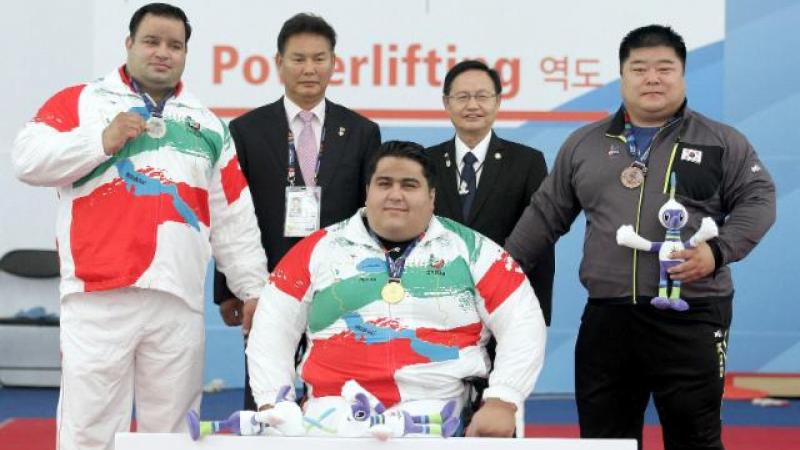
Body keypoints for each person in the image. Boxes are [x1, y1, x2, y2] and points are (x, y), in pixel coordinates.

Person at [505, 25, 776, 450]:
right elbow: (544, 217)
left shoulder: (722, 141)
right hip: (609, 319)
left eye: (665, 68)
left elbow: (759, 201)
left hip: (694, 313)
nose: (653, 78)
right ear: (622, 75)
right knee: (603, 440)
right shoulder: (584, 144)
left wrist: (718, 251)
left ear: (683, 75)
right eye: (640, 68)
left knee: (696, 439)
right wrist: (497, 275)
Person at [11, 4, 268, 450]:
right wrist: (99, 140)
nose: (163, 53)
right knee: (89, 430)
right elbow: (27, 160)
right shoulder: (82, 101)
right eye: (152, 41)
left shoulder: (207, 124)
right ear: (129, 44)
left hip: (177, 298)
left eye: (175, 45)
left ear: (187, 53)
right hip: (97, 296)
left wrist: (253, 290)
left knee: (170, 433)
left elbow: (232, 217)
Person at [247, 141, 546, 437]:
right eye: (384, 183)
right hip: (331, 422)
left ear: (432, 196)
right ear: (368, 191)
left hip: (440, 423)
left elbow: (522, 320)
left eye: (409, 185)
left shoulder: (474, 251)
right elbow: (271, 327)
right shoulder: (317, 250)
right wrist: (273, 402)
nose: (395, 195)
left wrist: (504, 398)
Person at [212, 12, 381, 411]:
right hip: (268, 286)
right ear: (278, 63)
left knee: (338, 402)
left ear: (334, 64)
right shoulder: (246, 130)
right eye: (299, 58)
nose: (309, 69)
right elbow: (229, 214)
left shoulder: (361, 132)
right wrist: (229, 289)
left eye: (319, 58)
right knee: (269, 399)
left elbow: (371, 217)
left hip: (340, 290)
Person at [428, 60, 554, 324]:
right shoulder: (426, 162)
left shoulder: (527, 162)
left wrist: (536, 315)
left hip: (505, 307)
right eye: (462, 97)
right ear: (446, 103)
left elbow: (539, 239)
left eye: (482, 96)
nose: (472, 105)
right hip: (437, 307)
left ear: (497, 102)